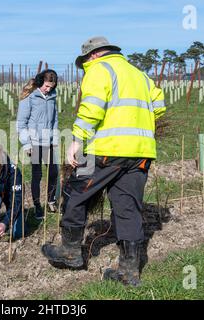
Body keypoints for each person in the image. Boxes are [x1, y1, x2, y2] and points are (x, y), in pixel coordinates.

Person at [41, 36, 166, 287]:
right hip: (141, 153)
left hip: (107, 150)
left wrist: (77, 141)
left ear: (94, 55)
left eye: (85, 60)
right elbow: (159, 107)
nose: (86, 64)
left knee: (75, 193)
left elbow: (92, 108)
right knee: (128, 208)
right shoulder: (140, 75)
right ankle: (129, 273)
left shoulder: (100, 69)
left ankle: (71, 253)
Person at [16, 70, 59, 220]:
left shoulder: (53, 97)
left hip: (48, 141)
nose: (49, 89)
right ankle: (37, 206)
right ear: (41, 82)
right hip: (34, 142)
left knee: (54, 172)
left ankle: (51, 201)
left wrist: (54, 139)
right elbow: (21, 123)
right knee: (37, 174)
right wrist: (26, 144)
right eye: (47, 86)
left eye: (51, 87)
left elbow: (55, 121)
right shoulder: (29, 97)